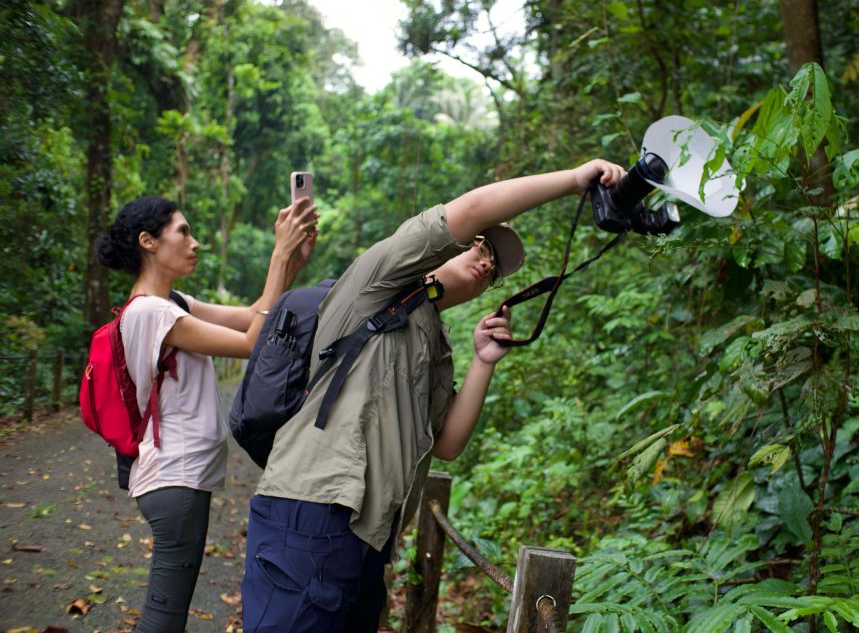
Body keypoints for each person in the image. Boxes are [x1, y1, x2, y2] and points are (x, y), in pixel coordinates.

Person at [241, 159, 626, 631]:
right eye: (481, 245)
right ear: (445, 250)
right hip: (311, 512)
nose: (487, 263)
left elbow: (446, 443)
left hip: (368, 534)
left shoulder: (433, 337)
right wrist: (573, 181)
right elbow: (468, 210)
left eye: (495, 269)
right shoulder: (376, 281)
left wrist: (483, 361)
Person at [95, 194, 318, 633]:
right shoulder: (152, 313)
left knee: (167, 616)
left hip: (180, 477)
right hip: (173, 478)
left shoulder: (173, 302)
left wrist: (290, 260)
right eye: (183, 232)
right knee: (163, 620)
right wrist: (277, 252)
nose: (195, 243)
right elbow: (254, 341)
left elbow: (253, 315)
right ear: (148, 242)